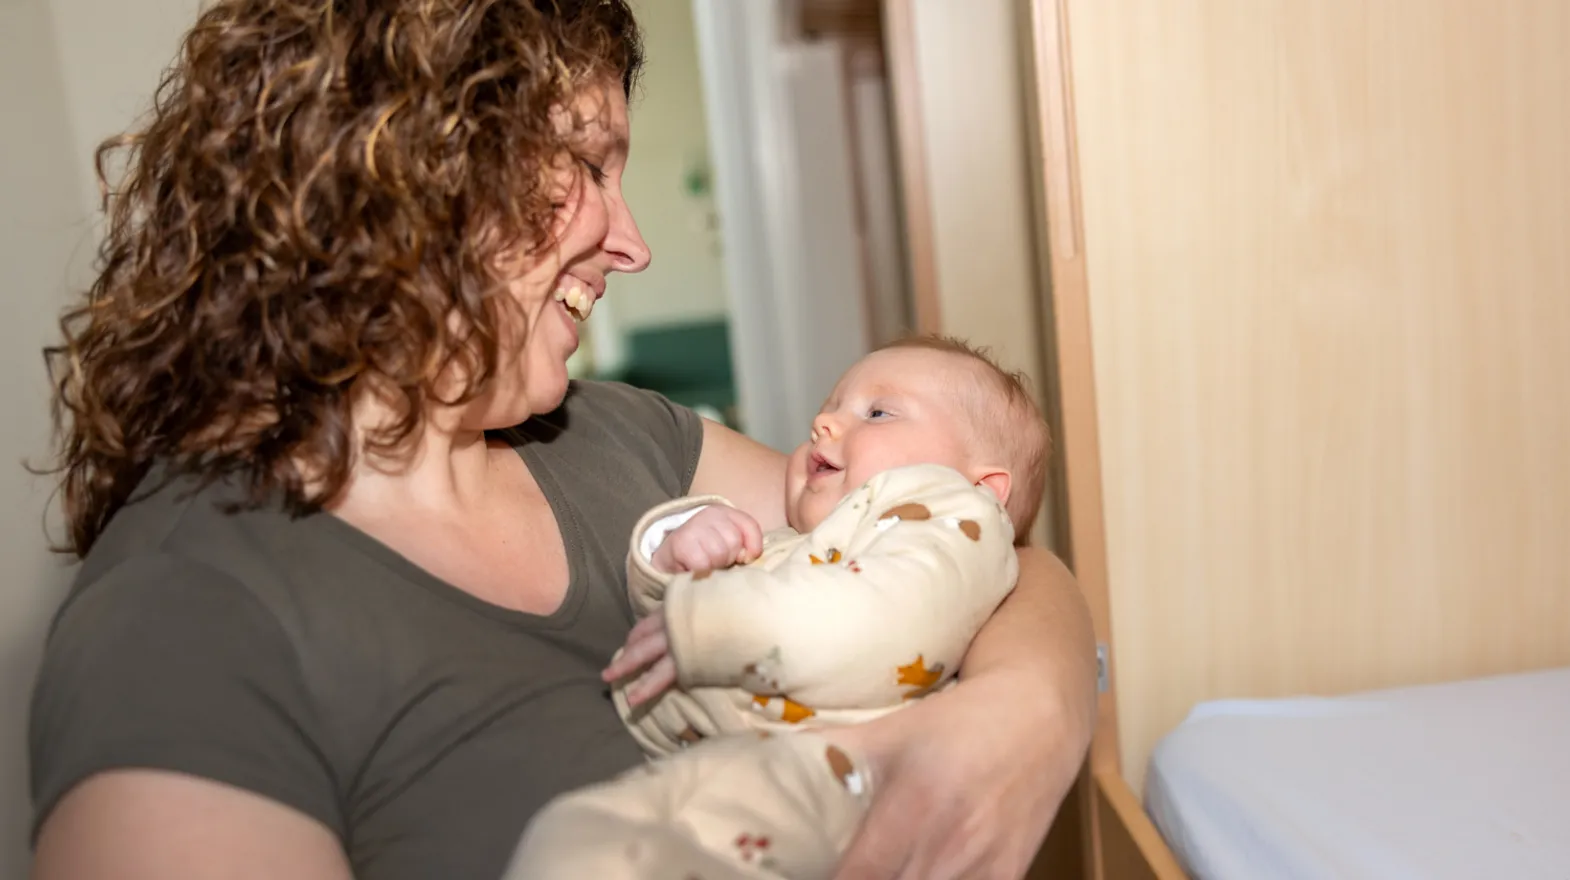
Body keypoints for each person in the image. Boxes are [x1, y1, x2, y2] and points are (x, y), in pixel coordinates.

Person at [26, 2, 1097, 879]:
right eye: (585, 164)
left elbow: (952, 525)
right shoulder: (185, 619)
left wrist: (1019, 717)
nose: (628, 243)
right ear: (410, 165)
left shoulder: (610, 437)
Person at [505, 336, 1053, 878]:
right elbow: (668, 631)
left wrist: (711, 621)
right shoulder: (798, 545)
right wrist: (679, 552)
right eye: (828, 409)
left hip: (829, 779)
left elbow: (876, 621)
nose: (825, 425)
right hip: (720, 767)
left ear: (985, 487)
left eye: (878, 412)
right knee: (572, 837)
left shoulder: (950, 518)